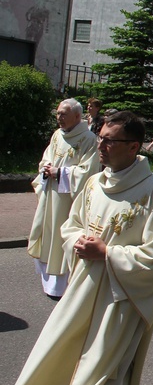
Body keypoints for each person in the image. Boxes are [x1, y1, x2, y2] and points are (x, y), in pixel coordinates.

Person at [5, 111, 153, 385]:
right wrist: (78, 240)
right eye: (100, 138)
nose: (100, 146)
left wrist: (107, 253)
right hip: (81, 289)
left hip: (119, 300)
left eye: (109, 141)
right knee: (57, 360)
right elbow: (70, 225)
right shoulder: (94, 183)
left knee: (101, 377)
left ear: (133, 147)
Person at [28, 98, 99, 298]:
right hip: (51, 195)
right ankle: (50, 283)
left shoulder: (87, 139)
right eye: (58, 113)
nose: (59, 118)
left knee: (63, 237)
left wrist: (59, 172)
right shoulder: (57, 135)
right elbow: (46, 158)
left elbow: (89, 171)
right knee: (48, 233)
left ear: (77, 116)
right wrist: (46, 168)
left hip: (69, 199)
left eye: (63, 114)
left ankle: (66, 286)